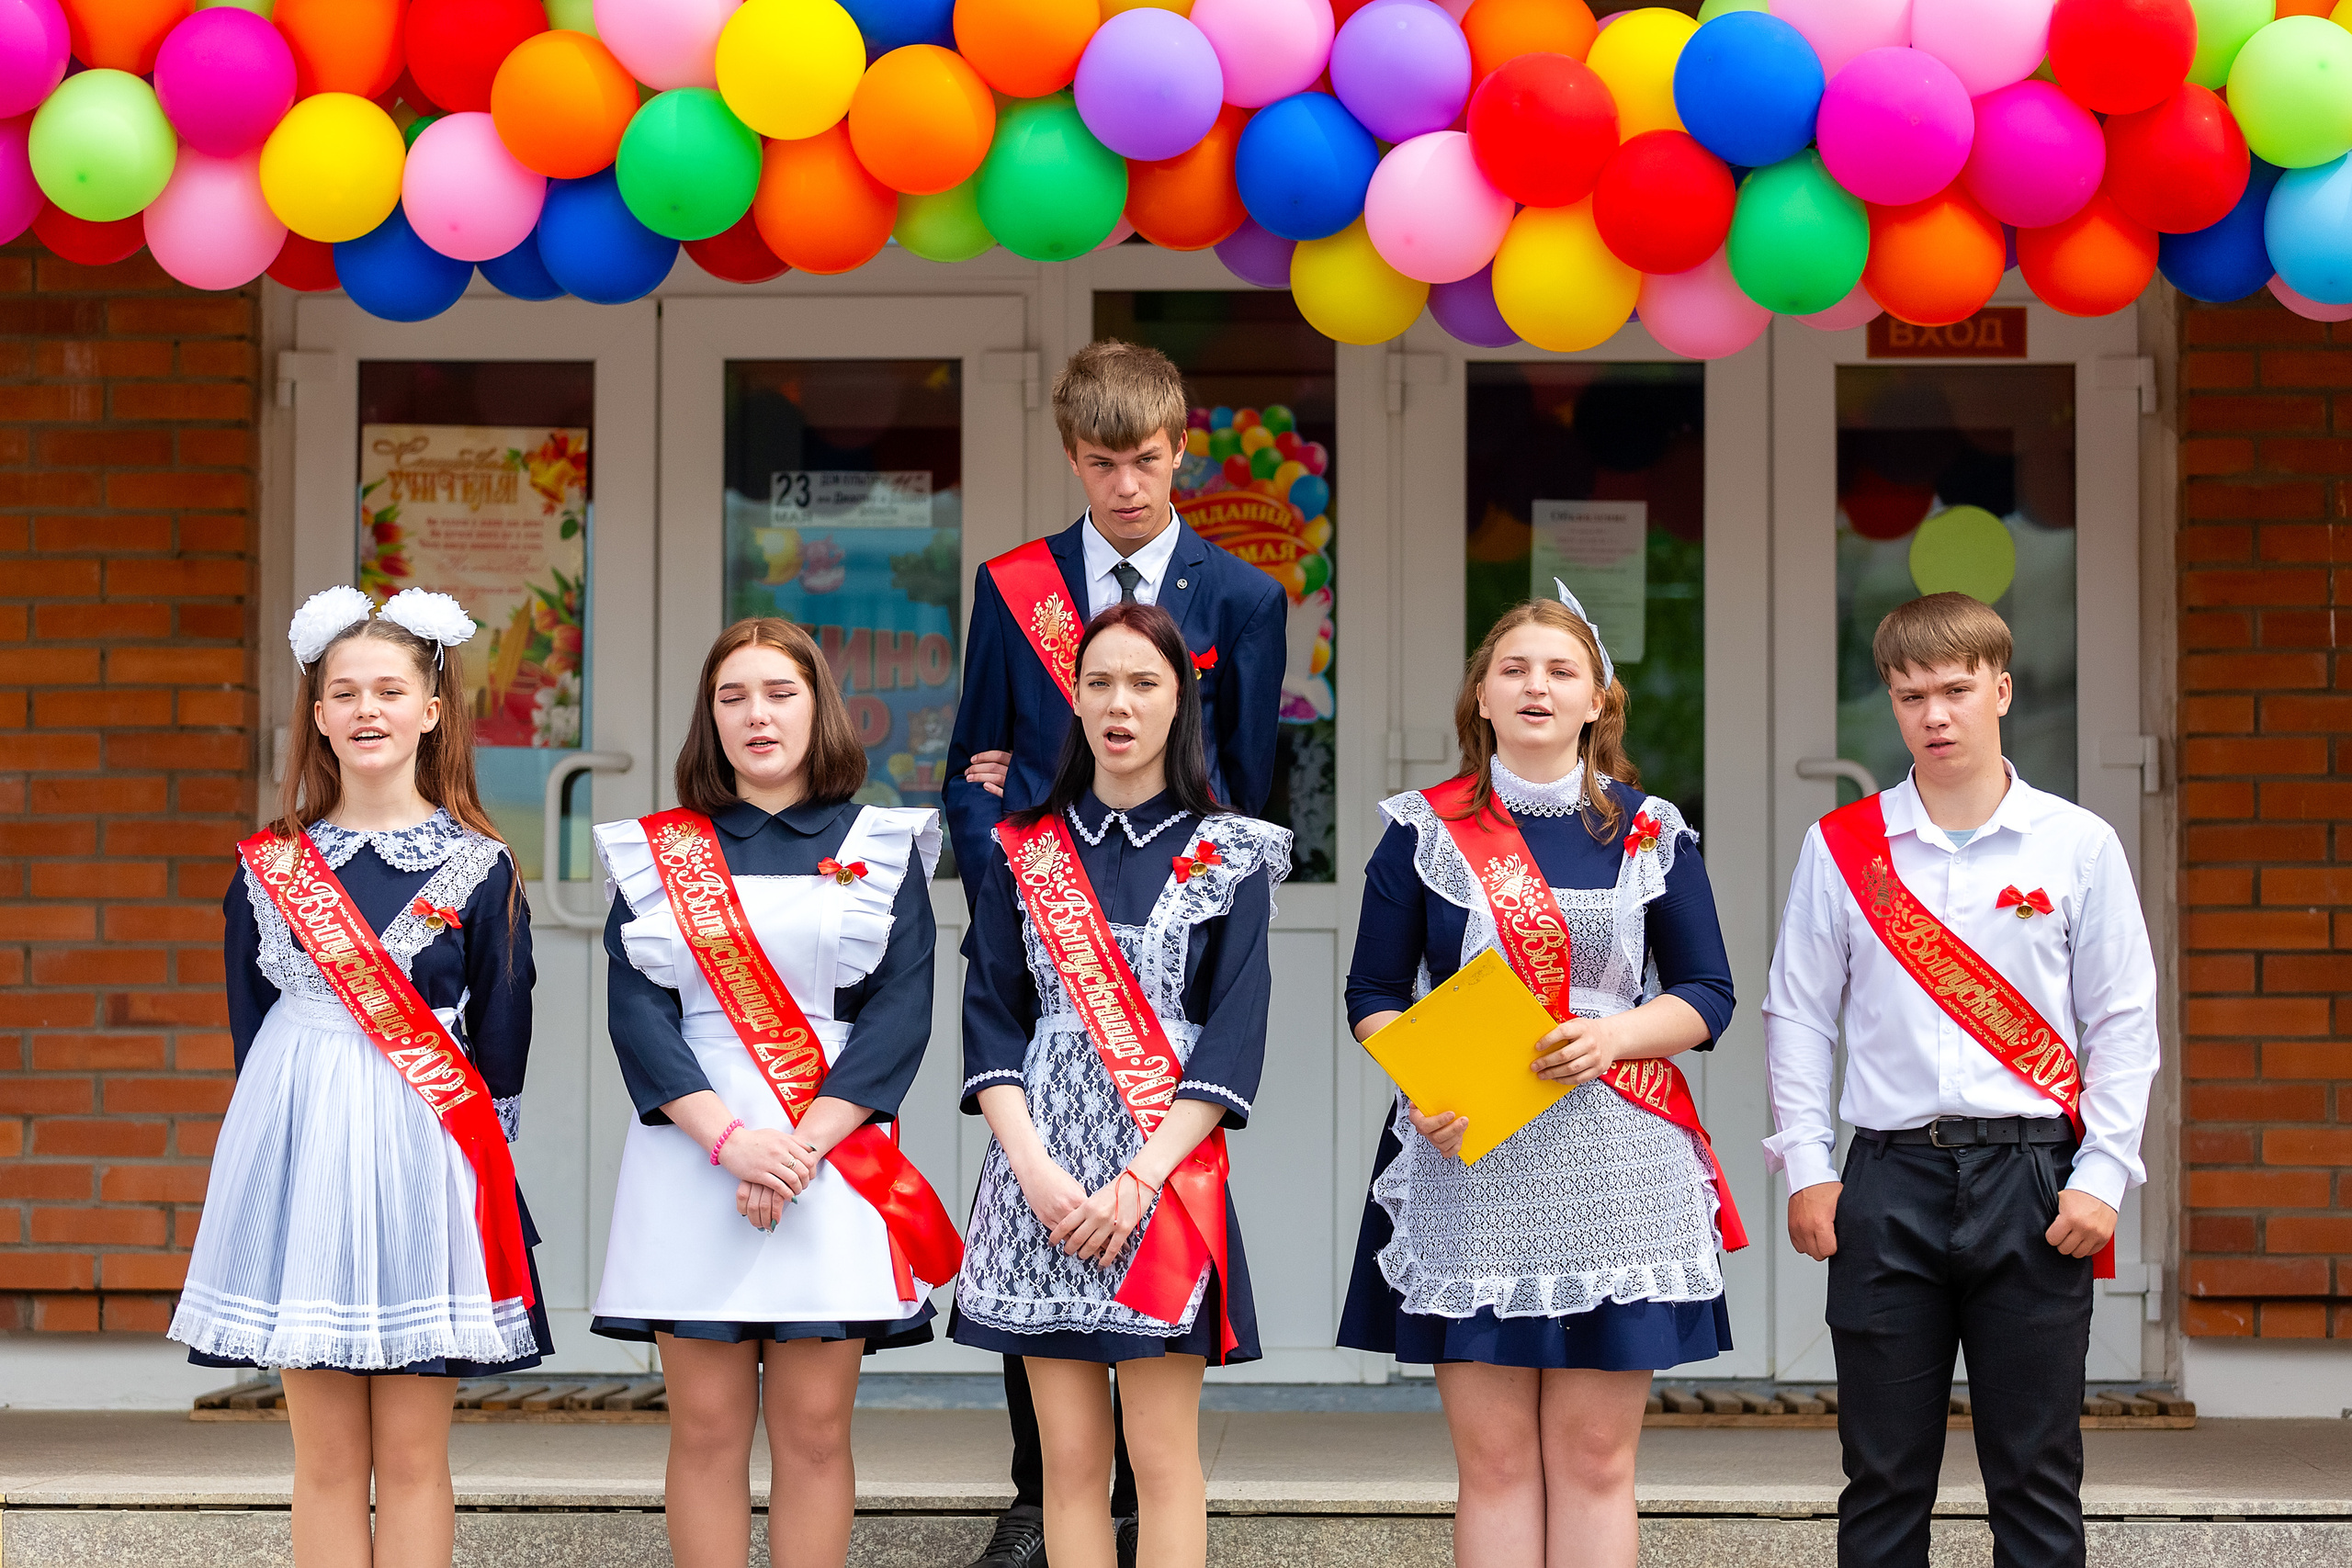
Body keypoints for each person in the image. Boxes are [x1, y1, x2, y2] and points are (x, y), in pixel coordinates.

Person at [944, 338, 1286, 1568]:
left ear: (1181, 443)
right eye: (1103, 463)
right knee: (1067, 1428)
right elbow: (971, 763)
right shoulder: (1015, 584)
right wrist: (1015, 859)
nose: (1127, 485)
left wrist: (1189, 874)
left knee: (1162, 1434)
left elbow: (1250, 774)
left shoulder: (1241, 596)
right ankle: (1038, 1505)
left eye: (1145, 460)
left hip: (1171, 948)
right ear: (1071, 456)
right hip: (1046, 913)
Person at [1337, 591, 1743, 1568]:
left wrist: (1614, 1039)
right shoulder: (1420, 831)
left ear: (1599, 700)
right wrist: (1429, 1084)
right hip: (1470, 1160)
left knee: (1598, 1459)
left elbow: (1708, 994)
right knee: (1495, 1461)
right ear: (1479, 695)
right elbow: (1373, 992)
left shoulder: (1652, 834)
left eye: (1559, 671)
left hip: (1619, 1172)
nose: (1534, 686)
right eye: (1513, 668)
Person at [1762, 592, 2159, 1568]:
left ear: (2001, 691)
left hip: (2035, 1182)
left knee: (2033, 1475)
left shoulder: (2077, 844)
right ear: (1891, 705)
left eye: (1954, 690)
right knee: (1883, 1476)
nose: (1933, 715)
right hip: (1887, 1180)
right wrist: (1808, 1167)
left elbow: (2122, 1019)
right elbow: (1798, 1013)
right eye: (1909, 696)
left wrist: (2104, 1173)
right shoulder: (1843, 847)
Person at [172, 585, 549, 1568]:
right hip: (305, 1173)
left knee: (416, 1457)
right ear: (319, 715)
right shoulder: (271, 868)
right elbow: (254, 1037)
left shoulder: (481, 867)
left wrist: (484, 1182)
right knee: (326, 1459)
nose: (367, 709)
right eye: (344, 692)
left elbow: (503, 1048)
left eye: (390, 689)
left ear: (432, 710)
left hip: (427, 1169)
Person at [590, 617, 961, 1568]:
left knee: (812, 1433)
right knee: (705, 1431)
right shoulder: (655, 851)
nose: (757, 715)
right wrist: (733, 1144)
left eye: (779, 693)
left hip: (833, 1161)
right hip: (692, 1157)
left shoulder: (882, 844)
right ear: (708, 719)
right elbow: (638, 1017)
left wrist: (795, 1147)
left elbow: (898, 1016)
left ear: (818, 708)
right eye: (733, 697)